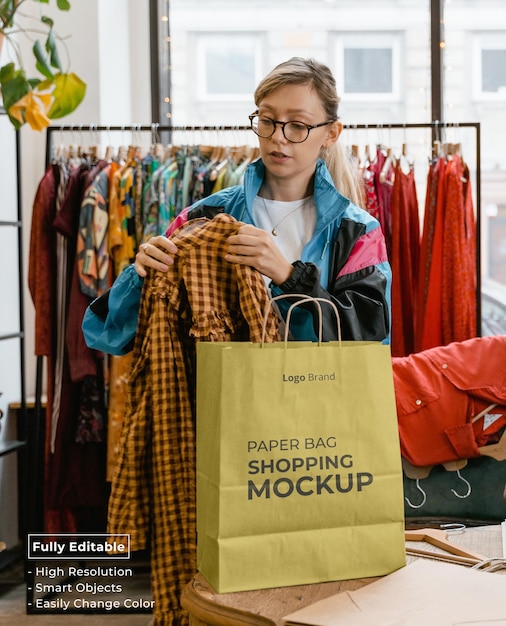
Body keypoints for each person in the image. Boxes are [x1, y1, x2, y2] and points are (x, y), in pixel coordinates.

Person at [82, 57, 391, 354]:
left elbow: (368, 340)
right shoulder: (203, 218)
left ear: (331, 133)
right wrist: (140, 278)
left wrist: (288, 276)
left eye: (298, 125)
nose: (278, 137)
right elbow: (106, 335)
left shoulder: (358, 231)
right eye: (268, 120)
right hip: (223, 402)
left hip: (317, 403)